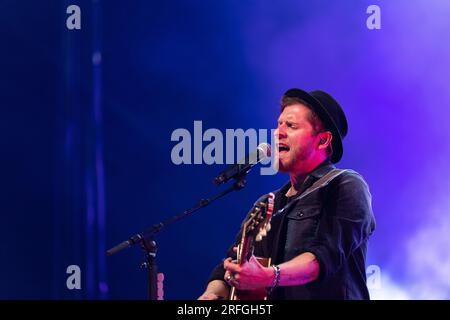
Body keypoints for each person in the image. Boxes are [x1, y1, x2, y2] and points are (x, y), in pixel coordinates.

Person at [198, 88, 376, 300]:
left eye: (290, 126)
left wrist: (267, 276)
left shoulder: (345, 185)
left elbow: (324, 256)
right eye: (278, 125)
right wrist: (211, 294)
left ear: (323, 141)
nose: (278, 133)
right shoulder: (267, 203)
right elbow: (228, 266)